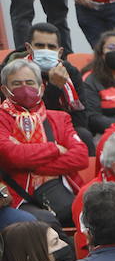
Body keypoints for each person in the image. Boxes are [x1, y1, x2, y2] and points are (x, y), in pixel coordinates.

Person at [0, 58, 87, 227]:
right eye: (16, 83)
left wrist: (27, 160)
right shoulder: (2, 118)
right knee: (45, 224)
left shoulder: (59, 118)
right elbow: (10, 155)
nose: (24, 88)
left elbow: (81, 156)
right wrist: (54, 148)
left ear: (41, 88)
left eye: (30, 82)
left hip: (62, 191)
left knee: (96, 215)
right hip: (19, 198)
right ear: (5, 89)